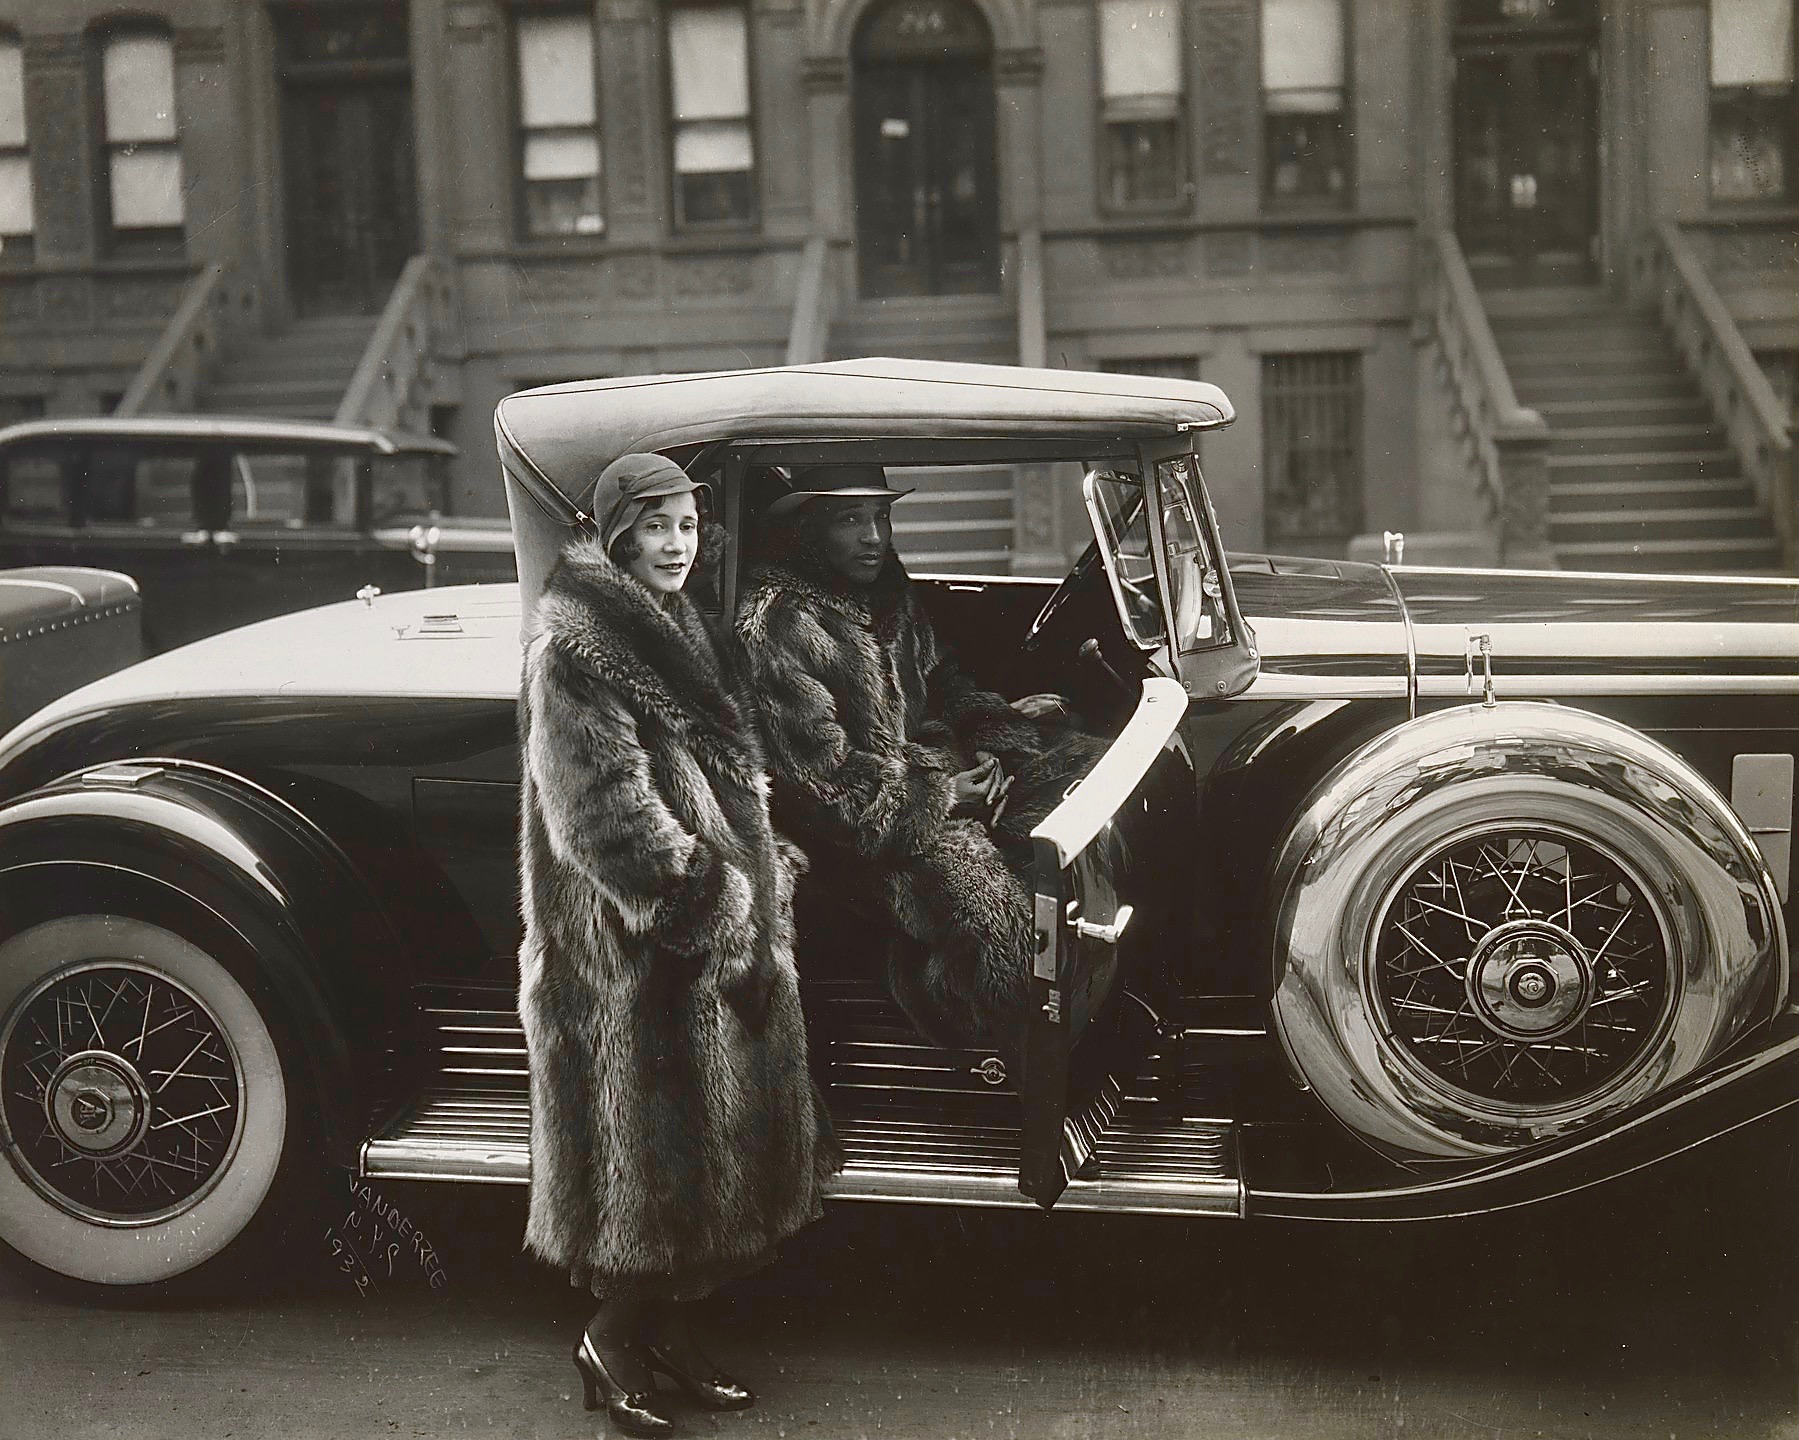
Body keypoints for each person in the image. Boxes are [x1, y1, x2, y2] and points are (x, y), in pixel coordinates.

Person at [517, 452, 837, 1438]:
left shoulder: (676, 624)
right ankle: (611, 1343)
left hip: (694, 942)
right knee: (646, 1172)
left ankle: (666, 1340)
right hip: (629, 954)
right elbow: (604, 817)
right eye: (654, 527)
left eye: (686, 526)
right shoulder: (575, 649)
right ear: (616, 534)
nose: (675, 544)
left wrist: (757, 864)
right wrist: (719, 909)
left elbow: (711, 778)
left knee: (705, 1164)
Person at [735, 463, 1101, 1066]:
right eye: (851, 519)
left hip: (936, 782)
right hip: (860, 838)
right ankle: (1003, 1059)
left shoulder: (886, 593)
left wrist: (994, 744)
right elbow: (822, 787)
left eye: (880, 516)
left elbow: (946, 682)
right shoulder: (781, 622)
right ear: (807, 528)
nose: (874, 536)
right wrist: (942, 795)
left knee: (1082, 774)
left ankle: (1094, 1013)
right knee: (989, 901)